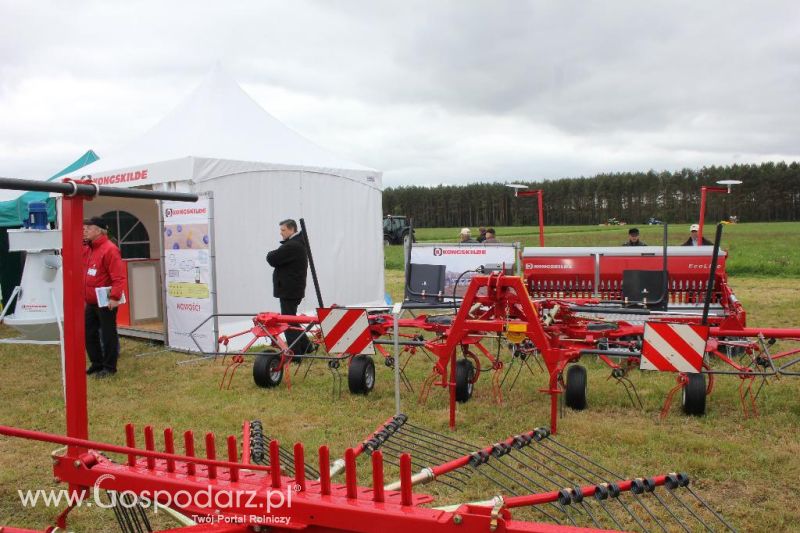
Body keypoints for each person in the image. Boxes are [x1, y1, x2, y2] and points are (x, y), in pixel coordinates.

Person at [83, 217, 127, 378]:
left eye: (89, 227)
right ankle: (97, 363)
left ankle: (109, 367)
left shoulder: (110, 249)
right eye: (84, 227)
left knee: (108, 333)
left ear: (99, 231)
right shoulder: (88, 248)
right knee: (88, 333)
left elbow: (119, 276)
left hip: (105, 300)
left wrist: (114, 297)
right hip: (91, 300)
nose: (85, 230)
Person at [266, 219, 311, 354]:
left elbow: (272, 258)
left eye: (283, 230)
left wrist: (270, 253)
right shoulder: (296, 243)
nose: (281, 233)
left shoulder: (293, 245)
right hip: (292, 289)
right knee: (291, 319)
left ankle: (296, 353)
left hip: (289, 290)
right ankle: (307, 347)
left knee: (288, 322)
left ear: (292, 229)